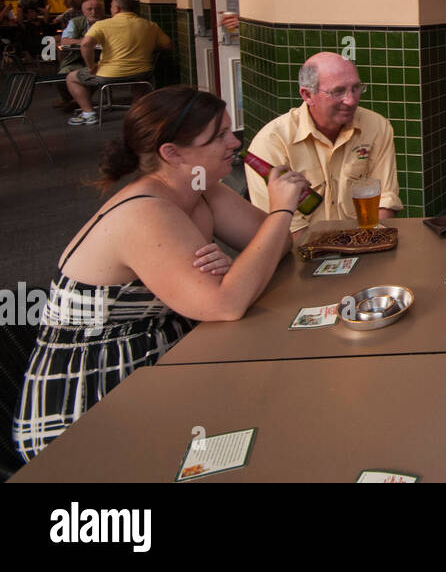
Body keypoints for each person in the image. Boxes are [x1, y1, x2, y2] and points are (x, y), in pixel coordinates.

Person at [12, 86, 311, 461]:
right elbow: (227, 304)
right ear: (172, 153)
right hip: (91, 392)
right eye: (218, 136)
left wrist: (236, 266)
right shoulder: (144, 212)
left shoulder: (201, 187)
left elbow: (277, 247)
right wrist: (281, 211)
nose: (234, 142)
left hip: (167, 358)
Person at [244, 52, 402, 240]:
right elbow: (283, 228)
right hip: (301, 255)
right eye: (338, 92)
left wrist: (367, 246)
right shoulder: (271, 143)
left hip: (365, 246)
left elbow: (386, 200)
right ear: (307, 95)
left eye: (356, 88)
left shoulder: (376, 127)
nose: (350, 100)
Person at [65, 0, 172, 126]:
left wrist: (91, 66)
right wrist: (146, 44)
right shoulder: (150, 25)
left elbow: (86, 44)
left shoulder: (102, 25)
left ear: (116, 8)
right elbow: (168, 45)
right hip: (143, 72)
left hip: (109, 75)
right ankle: (137, 114)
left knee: (71, 77)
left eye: (110, 7)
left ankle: (88, 114)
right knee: (140, 80)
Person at [52, 0, 103, 110]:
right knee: (62, 77)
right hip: (77, 59)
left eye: (97, 9)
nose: (94, 12)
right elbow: (64, 41)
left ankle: (79, 101)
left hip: (101, 60)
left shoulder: (108, 23)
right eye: (89, 9)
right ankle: (69, 100)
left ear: (102, 11)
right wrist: (86, 42)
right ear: (83, 12)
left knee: (93, 75)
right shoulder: (75, 22)